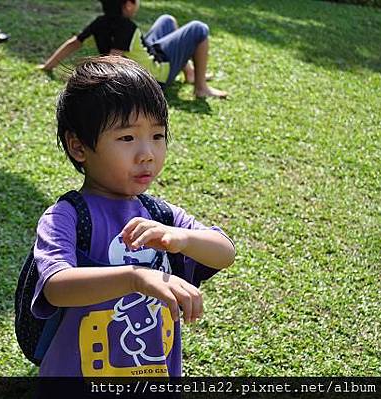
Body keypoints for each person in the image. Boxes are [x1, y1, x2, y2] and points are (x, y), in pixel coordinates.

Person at [31, 56, 235, 377]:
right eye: (127, 138)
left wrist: (182, 238)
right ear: (78, 146)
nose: (147, 153)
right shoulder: (66, 216)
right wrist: (135, 277)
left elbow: (224, 252)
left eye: (157, 135)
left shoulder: (160, 216)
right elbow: (56, 286)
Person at [38, 0, 227, 99]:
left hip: (146, 55)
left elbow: (74, 43)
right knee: (199, 28)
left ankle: (191, 74)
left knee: (167, 20)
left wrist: (48, 66)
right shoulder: (125, 28)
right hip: (155, 77)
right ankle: (200, 88)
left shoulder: (100, 22)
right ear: (128, 5)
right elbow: (114, 60)